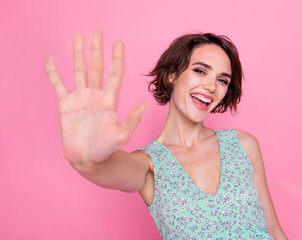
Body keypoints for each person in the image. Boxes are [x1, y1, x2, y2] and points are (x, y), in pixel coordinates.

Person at [44, 30, 288, 240]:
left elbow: (275, 232)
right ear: (172, 74)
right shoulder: (149, 165)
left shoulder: (244, 145)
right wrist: (85, 159)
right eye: (200, 71)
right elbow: (107, 170)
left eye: (222, 80)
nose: (211, 87)